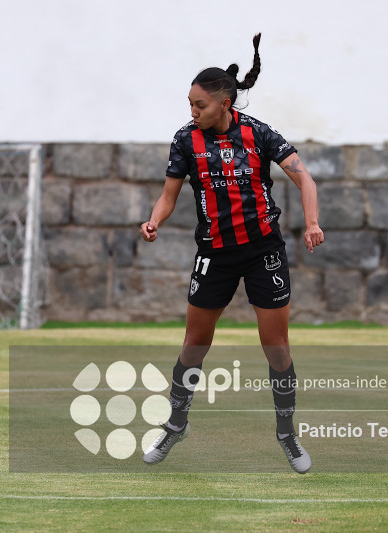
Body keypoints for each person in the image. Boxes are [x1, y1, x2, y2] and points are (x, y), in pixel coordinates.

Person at [139, 33, 324, 474]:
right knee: (195, 345)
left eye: (199, 105)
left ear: (224, 103)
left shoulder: (258, 133)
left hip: (263, 251)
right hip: (215, 255)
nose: (192, 111)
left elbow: (306, 180)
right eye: (189, 103)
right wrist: (154, 220)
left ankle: (287, 435)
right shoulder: (185, 141)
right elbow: (169, 195)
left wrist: (313, 222)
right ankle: (175, 425)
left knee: (276, 348)